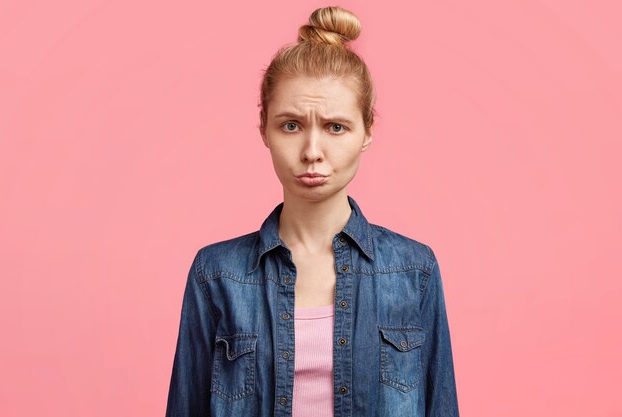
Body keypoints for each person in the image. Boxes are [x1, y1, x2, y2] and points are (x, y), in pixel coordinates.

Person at [165, 6, 459, 417]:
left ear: (367, 131)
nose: (312, 152)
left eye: (336, 127)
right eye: (291, 125)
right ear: (263, 127)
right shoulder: (216, 274)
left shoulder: (414, 271)